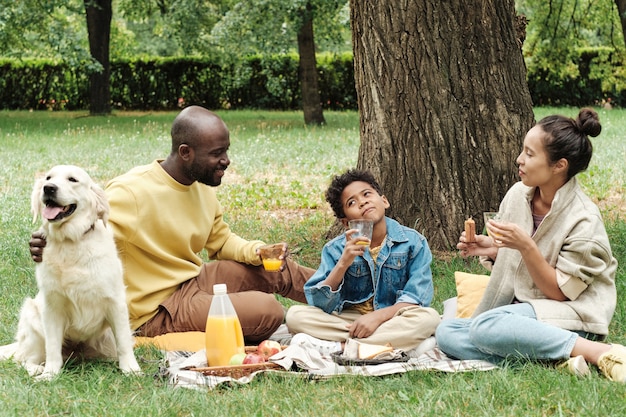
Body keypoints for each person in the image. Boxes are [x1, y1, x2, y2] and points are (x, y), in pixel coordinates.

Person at [30, 105, 315, 343]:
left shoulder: (201, 186)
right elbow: (81, 226)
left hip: (192, 281)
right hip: (157, 310)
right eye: (217, 153)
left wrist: (257, 251)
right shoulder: (131, 193)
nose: (226, 161)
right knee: (268, 311)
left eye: (226, 151)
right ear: (185, 152)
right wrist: (46, 243)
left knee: (276, 269)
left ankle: (349, 301)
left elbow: (221, 240)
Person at [435, 108, 625, 382]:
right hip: (525, 311)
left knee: (486, 326)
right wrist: (492, 248)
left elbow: (560, 293)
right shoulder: (517, 195)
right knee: (447, 332)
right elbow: (519, 265)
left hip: (572, 317)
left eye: (529, 154)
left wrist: (526, 247)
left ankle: (599, 351)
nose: (519, 159)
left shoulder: (584, 220)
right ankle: (557, 360)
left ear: (559, 165)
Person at [285, 169, 441, 355]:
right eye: (352, 202)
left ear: (384, 201)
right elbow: (320, 303)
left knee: (429, 318)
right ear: (345, 222)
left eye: (367, 194)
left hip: (393, 317)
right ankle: (397, 346)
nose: (362, 202)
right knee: (295, 316)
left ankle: (343, 348)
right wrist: (343, 263)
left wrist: (377, 317)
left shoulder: (414, 243)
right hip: (351, 320)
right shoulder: (335, 249)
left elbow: (417, 298)